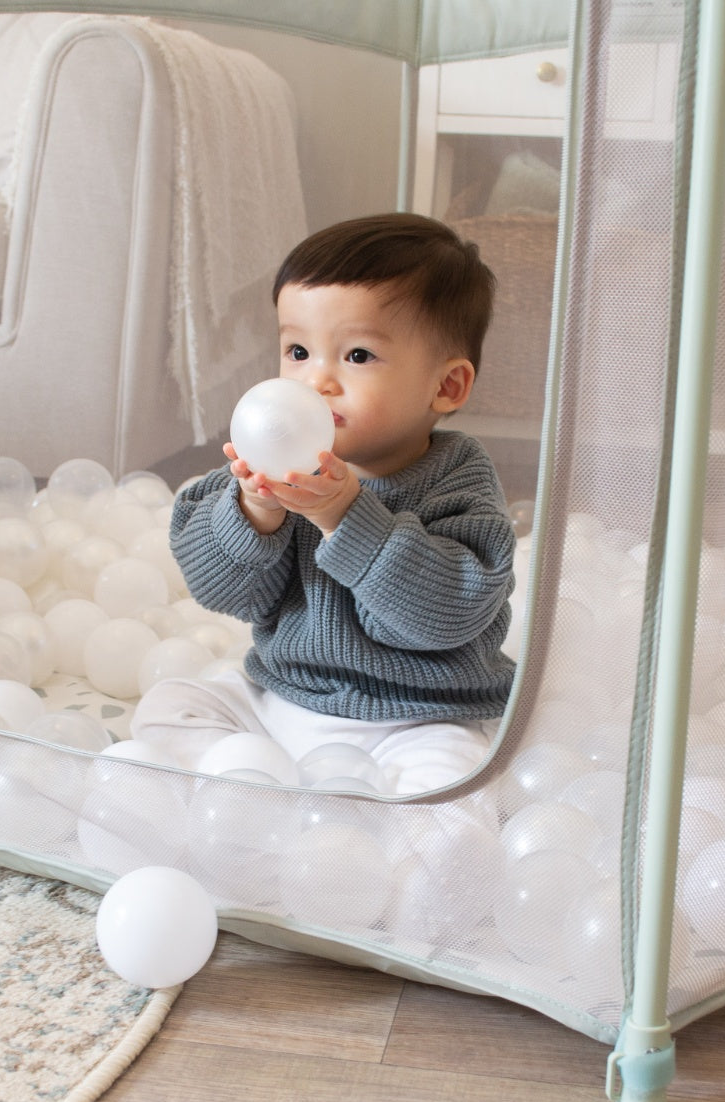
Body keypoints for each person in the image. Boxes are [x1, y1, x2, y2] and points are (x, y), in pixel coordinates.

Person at [130, 212, 517, 794]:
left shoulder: (457, 479)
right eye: (298, 351)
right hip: (281, 700)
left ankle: (313, 822)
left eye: (357, 356)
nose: (317, 382)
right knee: (167, 709)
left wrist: (344, 515)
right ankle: (256, 791)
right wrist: (254, 515)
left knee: (450, 792)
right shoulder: (274, 464)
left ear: (446, 386)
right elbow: (223, 591)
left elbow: (449, 613)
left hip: (416, 718)